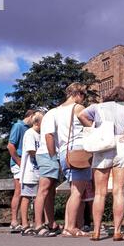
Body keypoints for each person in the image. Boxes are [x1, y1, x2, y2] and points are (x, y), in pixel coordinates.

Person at [79, 86, 124, 241]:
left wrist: (94, 129)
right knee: (118, 192)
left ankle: (96, 231)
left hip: (103, 146)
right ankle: (117, 231)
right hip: (121, 145)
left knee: (99, 193)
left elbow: (81, 115)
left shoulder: (96, 107)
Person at [55, 82, 92, 237]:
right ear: (77, 93)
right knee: (77, 192)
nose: (83, 99)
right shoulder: (78, 108)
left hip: (64, 153)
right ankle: (71, 227)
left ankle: (66, 227)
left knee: (73, 191)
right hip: (78, 151)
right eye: (83, 95)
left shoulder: (56, 111)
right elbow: (91, 126)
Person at [33, 107, 61, 237]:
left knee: (50, 192)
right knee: (43, 190)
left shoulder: (52, 115)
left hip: (48, 155)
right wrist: (53, 156)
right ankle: (38, 225)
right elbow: (49, 135)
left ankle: (51, 223)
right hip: (48, 155)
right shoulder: (53, 114)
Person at [7, 109, 36, 232]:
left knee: (27, 193)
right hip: (18, 163)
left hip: (27, 164)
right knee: (19, 191)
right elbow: (10, 146)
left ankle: (26, 221)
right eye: (34, 118)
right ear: (30, 116)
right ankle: (14, 221)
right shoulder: (18, 126)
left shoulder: (30, 130)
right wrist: (19, 162)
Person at [18, 111, 44, 236]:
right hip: (30, 171)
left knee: (37, 198)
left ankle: (37, 222)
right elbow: (31, 151)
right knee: (27, 197)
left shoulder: (40, 135)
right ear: (37, 122)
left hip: (39, 171)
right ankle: (24, 224)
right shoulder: (30, 134)